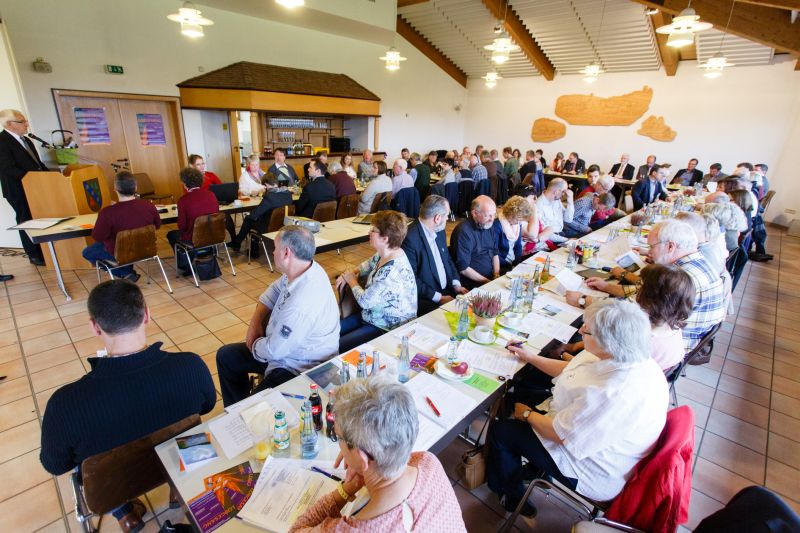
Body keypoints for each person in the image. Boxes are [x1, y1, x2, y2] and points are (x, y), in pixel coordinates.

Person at [40, 279, 216, 533]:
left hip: (115, 485)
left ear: (94, 327)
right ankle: (179, 490)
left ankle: (125, 513)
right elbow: (208, 405)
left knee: (87, 456)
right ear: (146, 315)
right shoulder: (190, 366)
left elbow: (55, 465)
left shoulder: (65, 405)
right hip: (181, 463)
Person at [489, 300, 668, 514]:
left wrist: (526, 414)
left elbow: (560, 435)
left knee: (503, 431)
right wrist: (529, 356)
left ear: (608, 342)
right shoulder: (630, 357)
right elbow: (572, 370)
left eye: (587, 331)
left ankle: (511, 495)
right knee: (523, 389)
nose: (581, 331)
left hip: (592, 467)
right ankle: (535, 468)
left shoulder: (614, 392)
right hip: (585, 432)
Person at [289, 377, 466, 532]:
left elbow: (296, 530)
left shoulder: (352, 529)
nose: (339, 446)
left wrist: (345, 490)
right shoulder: (428, 462)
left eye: (338, 437)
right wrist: (362, 466)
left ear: (362, 457)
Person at [216, 226, 339, 406]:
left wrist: (254, 344)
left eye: (275, 248)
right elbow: (273, 291)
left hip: (298, 367)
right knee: (226, 356)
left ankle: (245, 412)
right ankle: (237, 409)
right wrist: (255, 324)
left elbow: (275, 351)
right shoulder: (305, 267)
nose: (273, 252)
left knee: (253, 408)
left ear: (286, 253)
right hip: (284, 350)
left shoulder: (301, 304)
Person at [584, 219, 726, 351]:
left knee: (590, 334)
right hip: (685, 339)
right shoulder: (699, 262)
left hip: (666, 348)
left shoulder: (677, 279)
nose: (650, 252)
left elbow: (628, 313)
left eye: (651, 246)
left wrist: (584, 300)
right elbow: (643, 292)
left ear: (670, 246)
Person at [336, 211, 417, 352]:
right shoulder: (389, 252)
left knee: (335, 345)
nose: (369, 232)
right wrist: (350, 273)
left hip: (387, 327)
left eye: (373, 230)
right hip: (372, 316)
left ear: (385, 238)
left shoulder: (391, 271)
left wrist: (351, 280)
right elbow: (366, 265)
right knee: (330, 332)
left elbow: (365, 301)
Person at [82, 171, 161, 282]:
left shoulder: (107, 212)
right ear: (135, 187)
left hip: (120, 251)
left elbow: (98, 236)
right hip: (145, 248)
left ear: (115, 188)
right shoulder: (148, 205)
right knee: (120, 246)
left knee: (87, 252)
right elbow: (157, 226)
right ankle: (126, 272)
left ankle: (126, 273)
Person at [402, 195, 466, 315]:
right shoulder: (410, 238)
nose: (447, 218)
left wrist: (456, 283)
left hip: (449, 292)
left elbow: (447, 259)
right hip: (427, 301)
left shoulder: (439, 230)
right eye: (446, 215)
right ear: (437, 218)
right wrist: (439, 298)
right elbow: (410, 279)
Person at [0, 109, 47, 265]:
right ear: (9, 124)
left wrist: (52, 176)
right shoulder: (2, 141)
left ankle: (45, 251)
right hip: (17, 189)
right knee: (25, 220)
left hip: (36, 188)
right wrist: (31, 179)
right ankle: (34, 254)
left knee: (39, 218)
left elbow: (37, 164)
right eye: (22, 121)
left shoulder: (27, 140)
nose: (27, 124)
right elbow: (7, 168)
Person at [229, 173, 293, 253]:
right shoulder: (288, 194)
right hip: (283, 225)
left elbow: (255, 214)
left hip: (268, 227)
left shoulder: (270, 196)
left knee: (248, 219)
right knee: (253, 218)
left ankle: (239, 244)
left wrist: (249, 214)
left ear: (266, 184)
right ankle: (238, 243)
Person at [449, 195, 499, 289]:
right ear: (475, 213)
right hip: (473, 283)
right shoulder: (463, 232)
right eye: (488, 215)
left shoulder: (488, 224)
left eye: (494, 214)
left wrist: (497, 275)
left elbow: (495, 253)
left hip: (491, 278)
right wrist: (488, 282)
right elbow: (463, 269)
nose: (492, 219)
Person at [166, 166, 220, 254]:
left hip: (194, 239)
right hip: (213, 235)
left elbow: (182, 226)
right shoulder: (211, 195)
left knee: (171, 235)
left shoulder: (183, 200)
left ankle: (185, 263)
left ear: (184, 183)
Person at [494, 196, 533, 270]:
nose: (520, 222)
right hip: (501, 264)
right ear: (511, 214)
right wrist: (510, 266)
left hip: (512, 262)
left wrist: (517, 263)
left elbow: (518, 246)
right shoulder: (497, 225)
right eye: (518, 219)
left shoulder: (517, 224)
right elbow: (494, 253)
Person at [536, 178, 574, 244]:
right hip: (550, 241)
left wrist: (570, 201)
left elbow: (568, 219)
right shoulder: (539, 205)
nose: (564, 194)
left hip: (561, 235)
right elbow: (545, 233)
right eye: (564, 192)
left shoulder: (557, 201)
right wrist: (566, 240)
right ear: (556, 192)